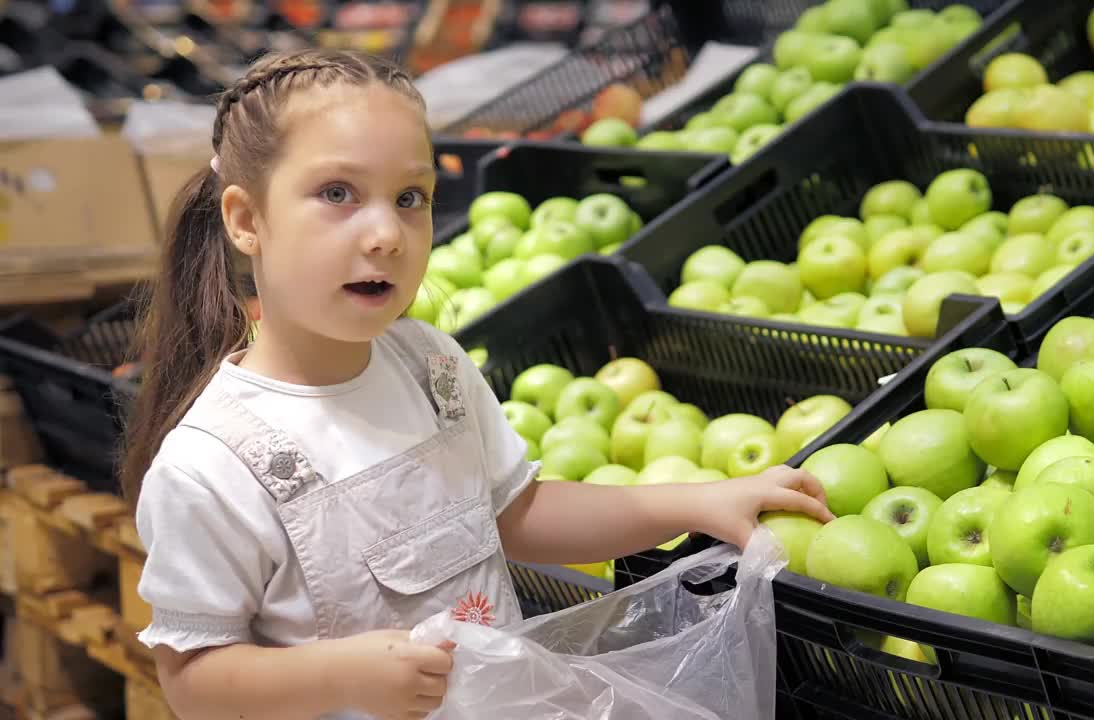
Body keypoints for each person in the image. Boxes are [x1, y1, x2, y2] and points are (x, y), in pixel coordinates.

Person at [122, 48, 835, 720]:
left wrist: (699, 501)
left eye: (410, 196)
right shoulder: (210, 469)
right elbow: (192, 682)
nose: (387, 235)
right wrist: (343, 673)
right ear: (247, 219)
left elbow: (518, 514)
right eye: (337, 193)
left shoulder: (430, 366)